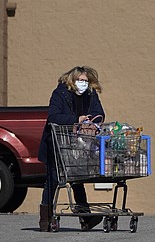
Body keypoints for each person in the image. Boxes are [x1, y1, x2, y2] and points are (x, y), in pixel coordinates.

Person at [38, 66, 105, 232]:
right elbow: (53, 116)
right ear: (72, 80)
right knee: (53, 180)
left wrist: (92, 121)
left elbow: (99, 113)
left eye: (86, 80)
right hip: (57, 143)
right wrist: (77, 119)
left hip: (77, 144)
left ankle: (86, 218)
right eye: (80, 80)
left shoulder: (90, 94)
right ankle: (45, 220)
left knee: (77, 179)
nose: (83, 83)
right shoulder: (60, 93)